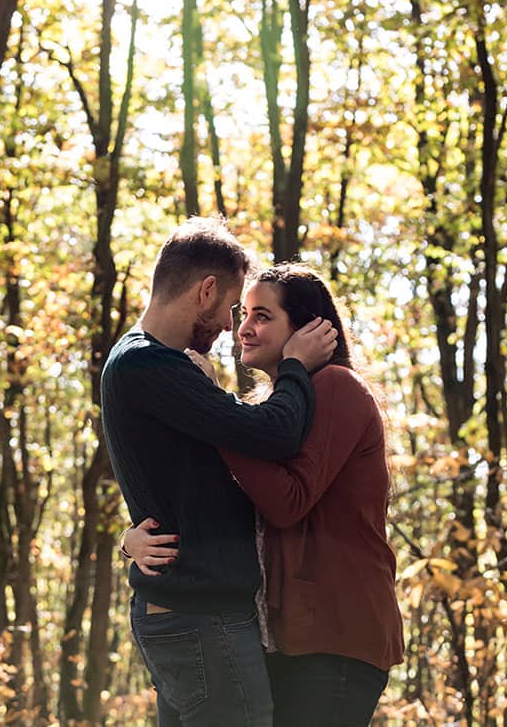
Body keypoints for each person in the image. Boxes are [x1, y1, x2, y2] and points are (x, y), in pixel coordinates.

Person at [125, 264, 405, 727]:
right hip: (286, 638)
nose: (243, 329)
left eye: (262, 316)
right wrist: (131, 537)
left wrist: (215, 410)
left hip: (336, 638)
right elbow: (222, 502)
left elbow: (288, 501)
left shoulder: (338, 389)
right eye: (243, 314)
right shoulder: (267, 411)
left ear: (308, 328)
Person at [100, 218, 338, 726]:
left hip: (186, 613)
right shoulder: (147, 366)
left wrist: (127, 541)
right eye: (232, 308)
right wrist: (295, 366)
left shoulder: (148, 363)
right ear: (206, 291)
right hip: (200, 618)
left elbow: (180, 479)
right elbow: (272, 433)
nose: (232, 327)